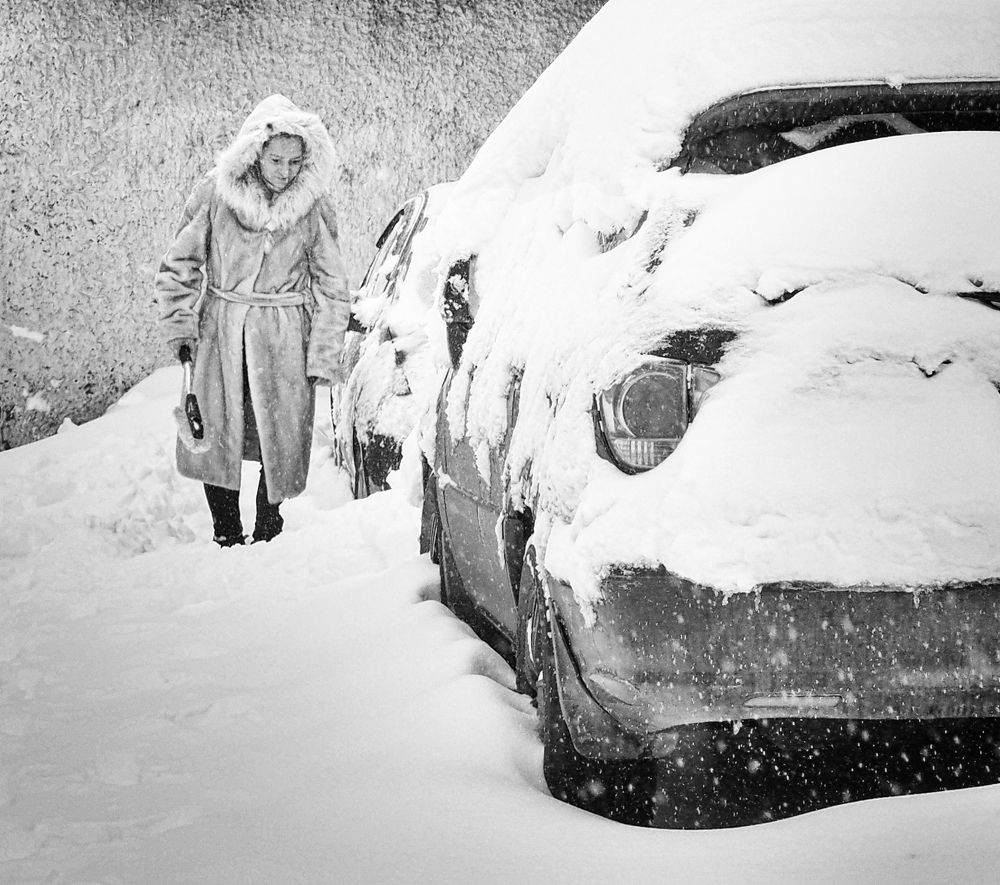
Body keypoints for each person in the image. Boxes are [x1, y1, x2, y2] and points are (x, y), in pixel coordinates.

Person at [155, 95, 350, 546]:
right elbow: (180, 264)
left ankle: (269, 529)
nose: (284, 171)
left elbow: (332, 285)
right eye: (276, 159)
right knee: (216, 433)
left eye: (295, 161)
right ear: (254, 151)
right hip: (220, 332)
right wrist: (181, 324)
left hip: (284, 338)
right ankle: (226, 532)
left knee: (276, 438)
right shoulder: (215, 192)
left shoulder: (313, 206)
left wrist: (322, 352)